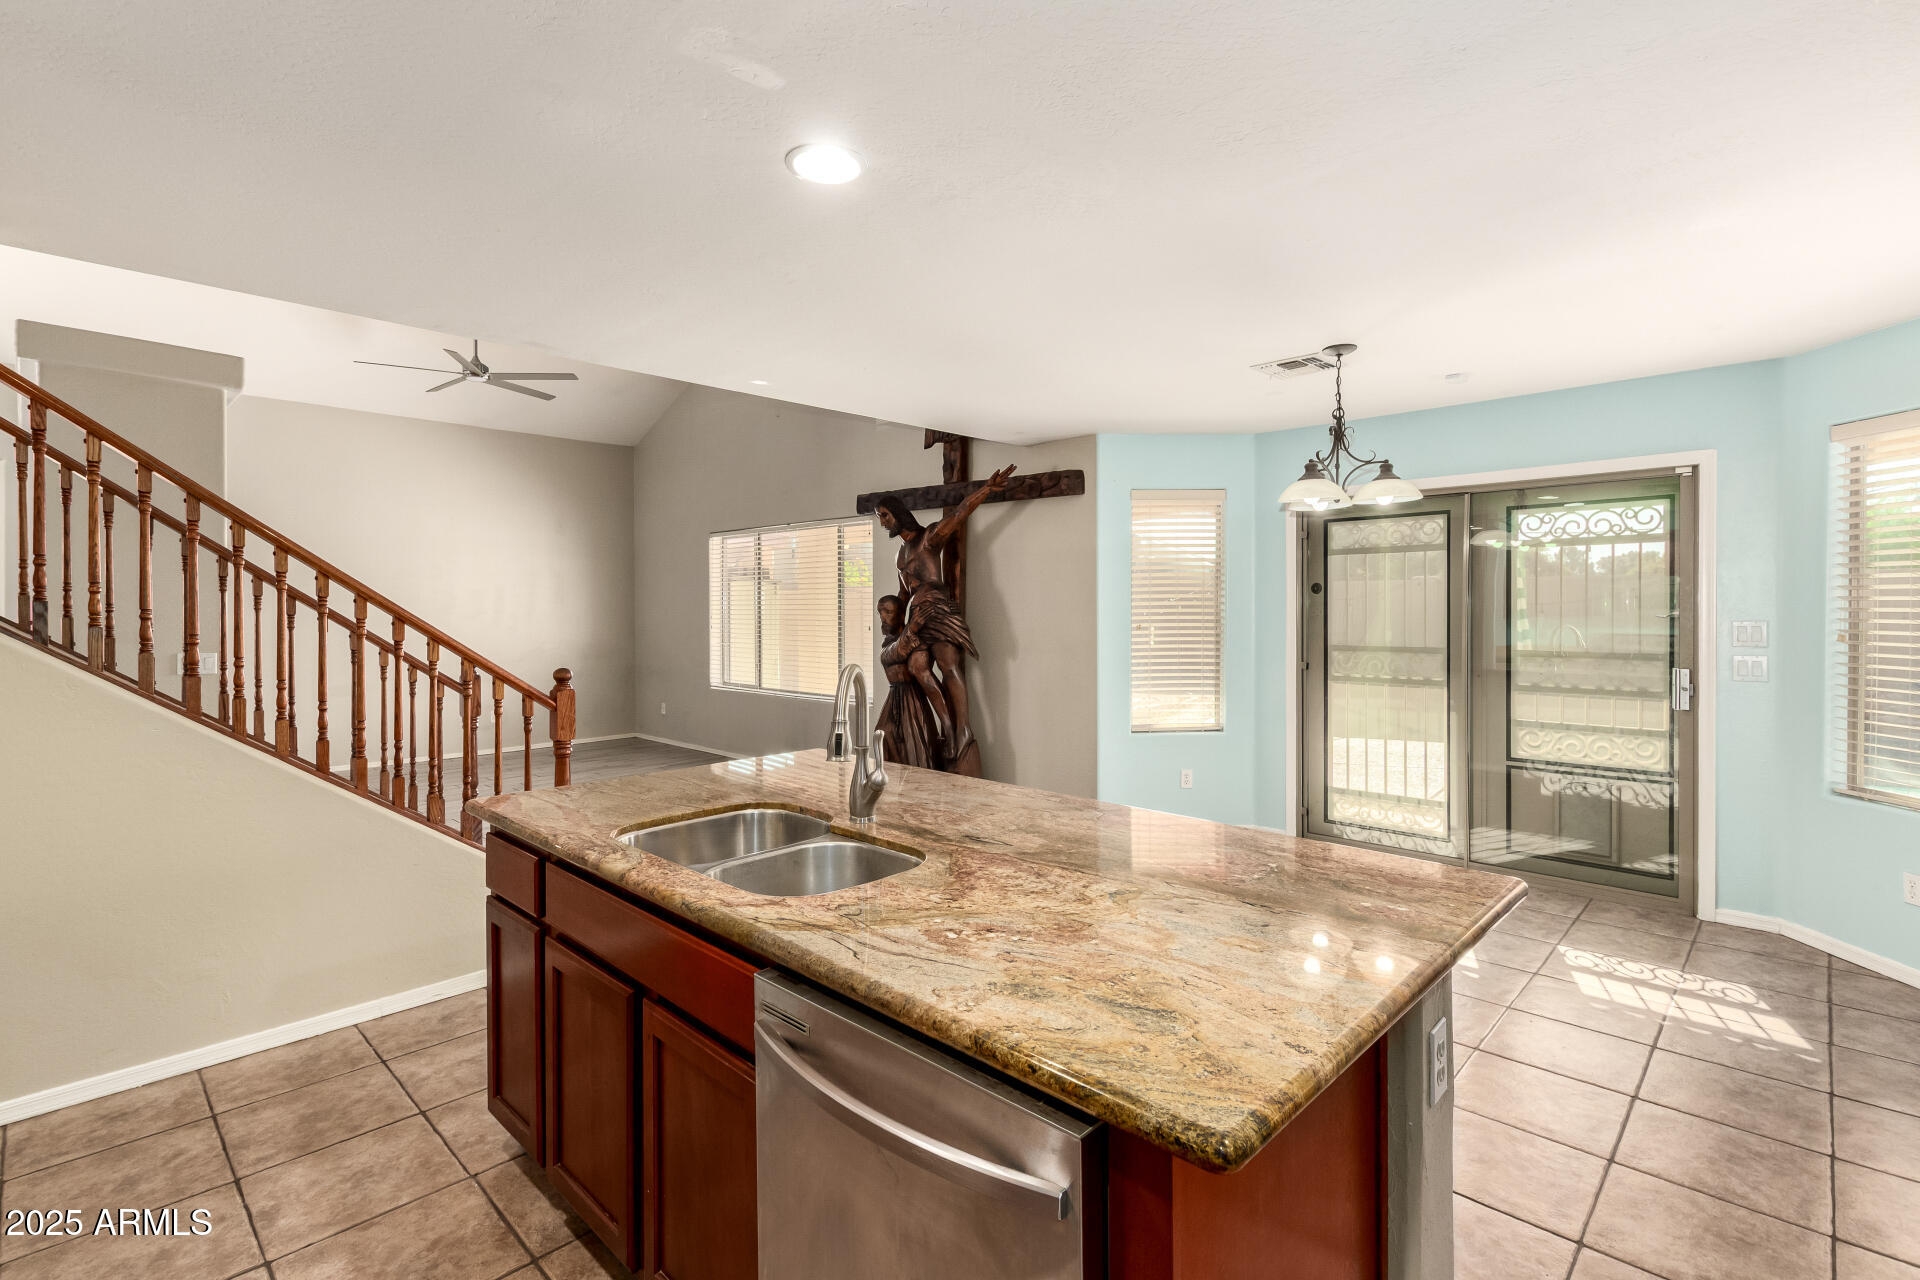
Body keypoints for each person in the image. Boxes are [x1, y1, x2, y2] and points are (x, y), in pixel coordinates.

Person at [873, 464, 1014, 764]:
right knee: (917, 666)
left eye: (884, 515)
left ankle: (961, 731)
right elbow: (903, 594)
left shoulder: (928, 538)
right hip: (917, 615)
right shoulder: (900, 555)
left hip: (938, 609)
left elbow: (960, 513)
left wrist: (987, 489)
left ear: (898, 513)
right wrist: (892, 625)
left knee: (949, 668)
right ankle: (946, 724)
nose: (882, 522)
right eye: (879, 517)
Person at [873, 594, 940, 770]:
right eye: (880, 612)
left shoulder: (914, 642)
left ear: (902, 615)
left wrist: (912, 629)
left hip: (912, 700)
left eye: (888, 612)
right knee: (883, 735)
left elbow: (900, 652)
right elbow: (891, 654)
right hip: (894, 699)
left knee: (915, 746)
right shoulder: (890, 645)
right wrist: (912, 629)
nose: (883, 617)